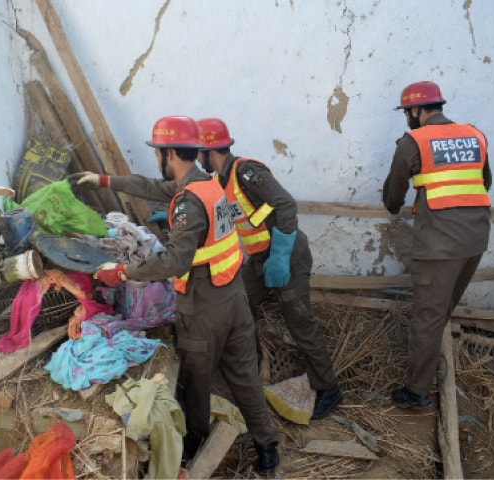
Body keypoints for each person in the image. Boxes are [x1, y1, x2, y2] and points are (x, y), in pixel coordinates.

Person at [69, 115, 280, 475]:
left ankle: (191, 449)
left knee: (196, 382)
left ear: (168, 153)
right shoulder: (208, 185)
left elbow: (175, 259)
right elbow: (149, 186)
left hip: (203, 307)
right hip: (234, 299)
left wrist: (121, 272)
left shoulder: (187, 201)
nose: (157, 161)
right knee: (244, 375)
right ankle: (267, 445)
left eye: (158, 153)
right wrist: (104, 180)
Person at [196, 118, 343, 420]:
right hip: (261, 258)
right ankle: (250, 370)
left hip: (286, 254)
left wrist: (279, 256)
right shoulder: (219, 181)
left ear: (207, 151)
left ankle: (328, 388)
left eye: (197, 153)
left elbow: (286, 205)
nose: (197, 160)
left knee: (300, 321)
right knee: (238, 304)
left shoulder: (247, 172)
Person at [382, 81, 492, 409]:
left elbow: (393, 194)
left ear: (417, 110)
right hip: (475, 241)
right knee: (441, 310)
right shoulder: (475, 135)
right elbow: (484, 182)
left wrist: (396, 203)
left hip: (438, 247)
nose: (406, 118)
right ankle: (425, 355)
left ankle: (416, 392)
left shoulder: (413, 141)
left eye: (407, 112)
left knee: (427, 317)